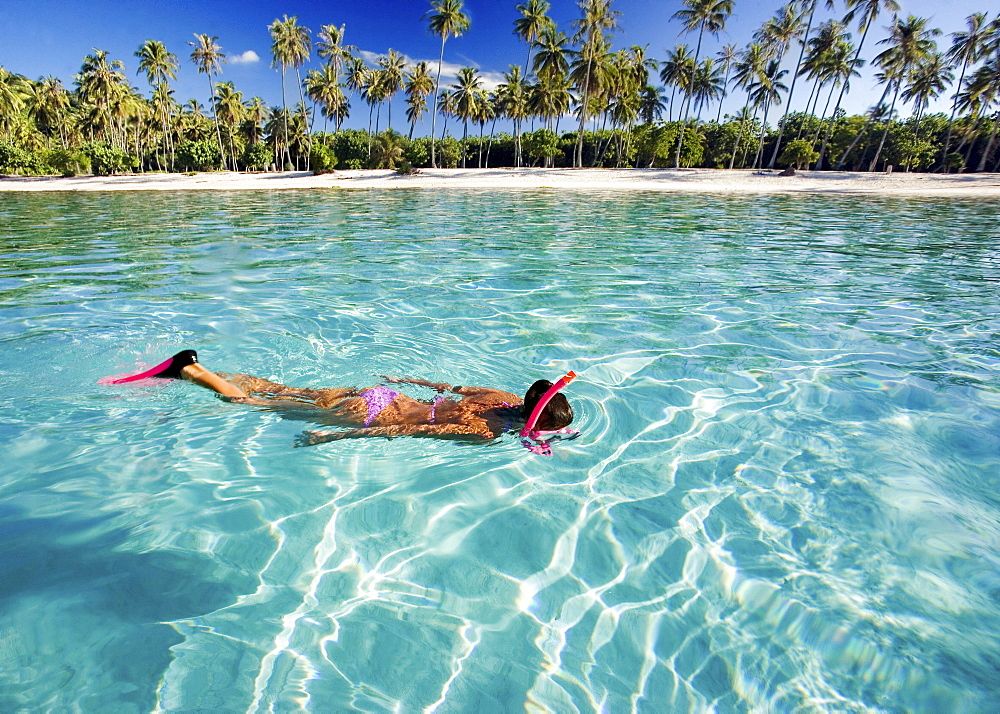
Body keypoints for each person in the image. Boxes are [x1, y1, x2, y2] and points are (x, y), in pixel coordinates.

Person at [104, 350, 575, 448]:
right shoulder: (483, 431)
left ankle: (190, 367)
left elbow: (444, 388)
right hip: (372, 413)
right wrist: (336, 438)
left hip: (381, 394)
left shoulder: (496, 396)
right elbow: (410, 428)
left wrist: (401, 377)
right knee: (253, 405)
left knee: (280, 389)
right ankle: (192, 373)